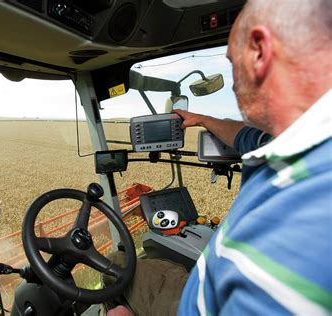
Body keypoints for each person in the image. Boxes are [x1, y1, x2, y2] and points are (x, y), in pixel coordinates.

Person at [108, 0, 332, 314]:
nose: (234, 81)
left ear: (260, 50)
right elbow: (241, 133)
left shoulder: (304, 212)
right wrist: (201, 118)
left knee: (116, 268)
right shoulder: (292, 141)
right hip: (203, 286)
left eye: (232, 62)